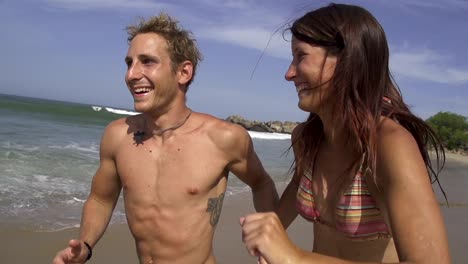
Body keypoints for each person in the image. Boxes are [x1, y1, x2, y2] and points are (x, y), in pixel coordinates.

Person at [52, 13, 278, 264]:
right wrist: (86, 245)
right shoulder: (117, 136)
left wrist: (272, 242)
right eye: (129, 63)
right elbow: (101, 198)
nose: (131, 74)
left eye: (147, 62)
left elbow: (261, 184)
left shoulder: (223, 138)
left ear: (183, 72)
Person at [240, 3, 450, 264]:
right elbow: (296, 189)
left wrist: (293, 258)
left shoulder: (387, 145)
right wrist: (269, 232)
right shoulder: (307, 138)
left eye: (301, 56)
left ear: (347, 60)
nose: (289, 73)